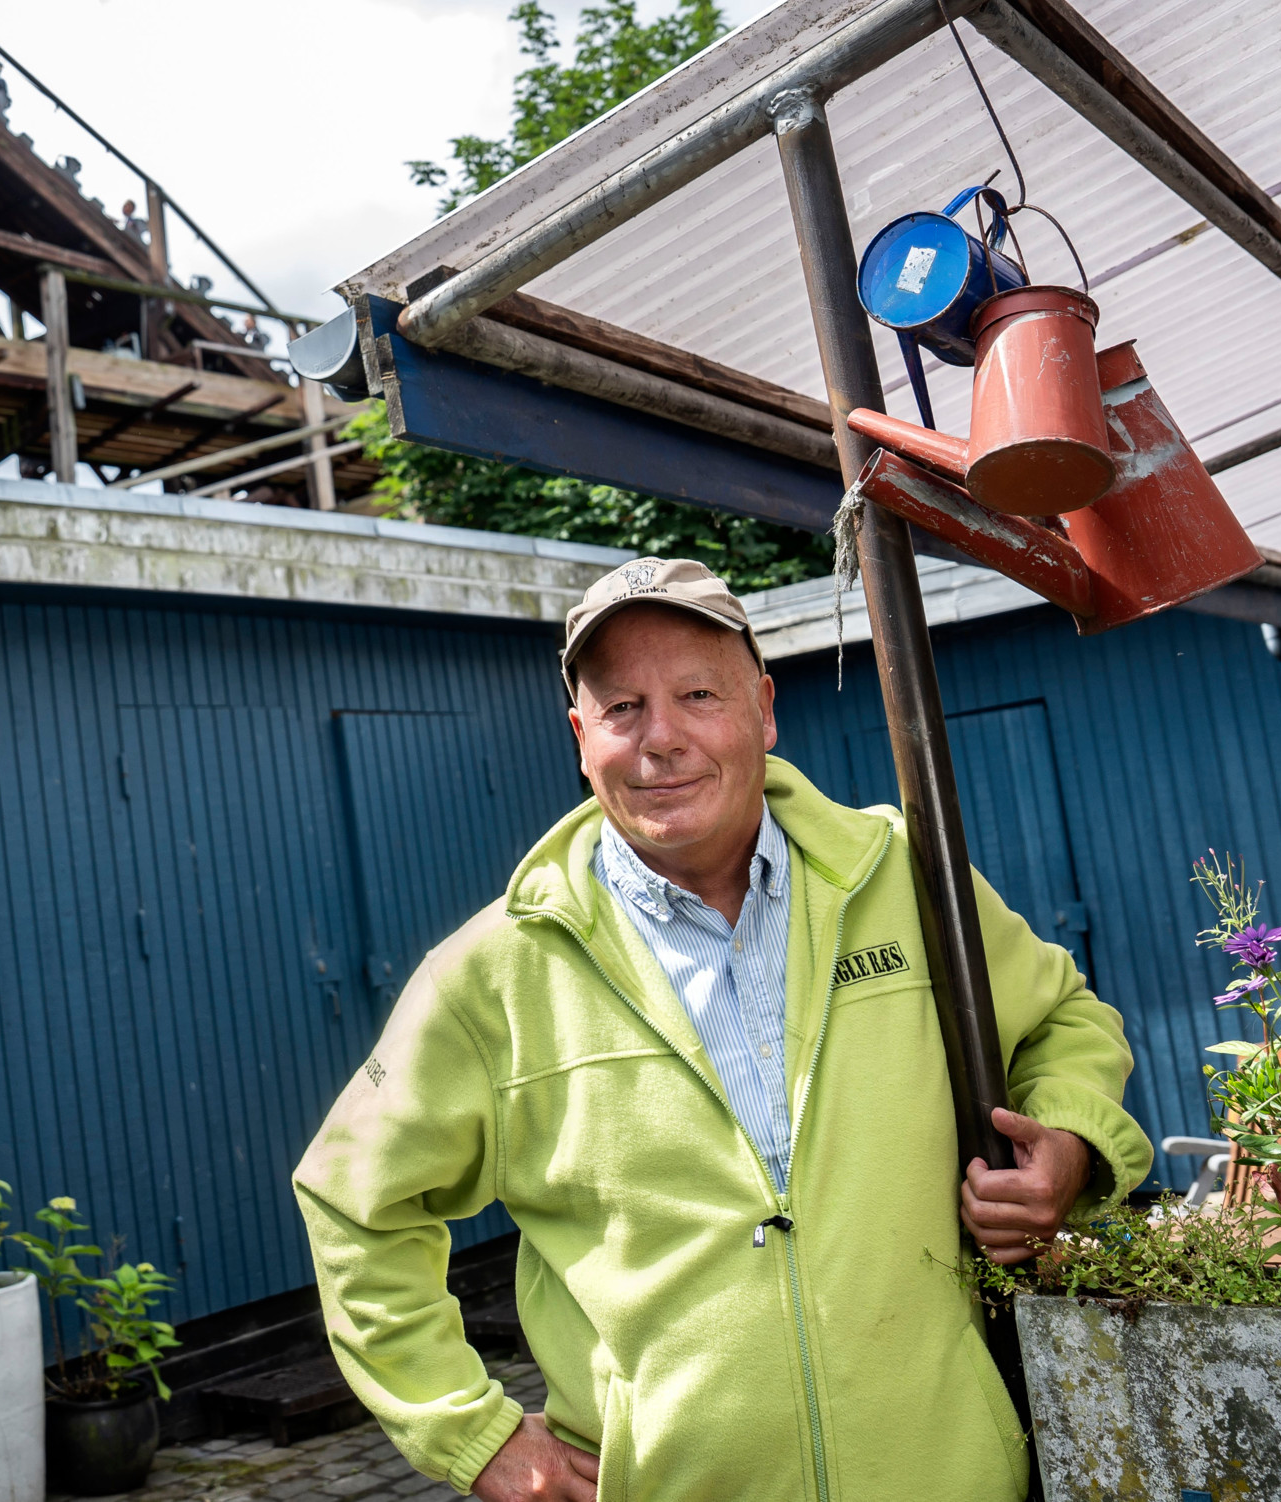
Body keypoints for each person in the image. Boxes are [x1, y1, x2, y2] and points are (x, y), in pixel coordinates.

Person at [294, 556, 1149, 1502]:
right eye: (622, 709)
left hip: (951, 1476)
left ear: (766, 709)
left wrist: (1067, 1147)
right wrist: (474, 1435)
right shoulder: (492, 973)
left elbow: (1066, 1020)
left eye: (699, 694)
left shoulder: (906, 875)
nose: (661, 739)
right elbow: (352, 1203)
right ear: (582, 738)